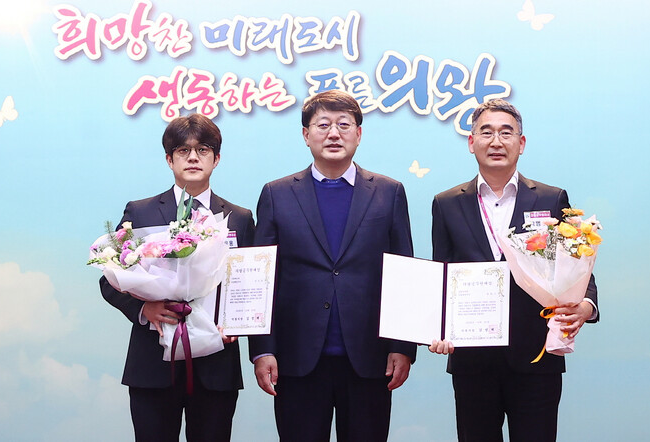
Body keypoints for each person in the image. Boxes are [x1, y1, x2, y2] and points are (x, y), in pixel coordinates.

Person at [249, 90, 416, 441]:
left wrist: (402, 346)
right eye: (323, 125)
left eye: (344, 125)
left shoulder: (389, 192)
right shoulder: (277, 194)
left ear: (359, 133)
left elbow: (404, 275)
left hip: (369, 358)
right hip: (297, 358)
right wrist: (263, 348)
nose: (334, 134)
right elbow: (263, 280)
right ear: (306, 134)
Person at [429, 99, 599, 441]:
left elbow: (577, 260)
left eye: (506, 133)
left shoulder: (550, 198)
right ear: (471, 142)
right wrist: (436, 327)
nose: (496, 141)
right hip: (472, 361)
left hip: (536, 355)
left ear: (521, 143)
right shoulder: (447, 203)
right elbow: (441, 276)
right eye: (486, 132)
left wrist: (586, 305)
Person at [100, 114, 255, 442]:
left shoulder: (239, 218)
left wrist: (238, 324)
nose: (194, 158)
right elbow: (109, 279)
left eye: (203, 150)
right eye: (183, 151)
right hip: (153, 364)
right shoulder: (140, 212)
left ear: (217, 158)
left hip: (216, 365)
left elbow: (249, 283)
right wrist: (145, 309)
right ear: (169, 159)